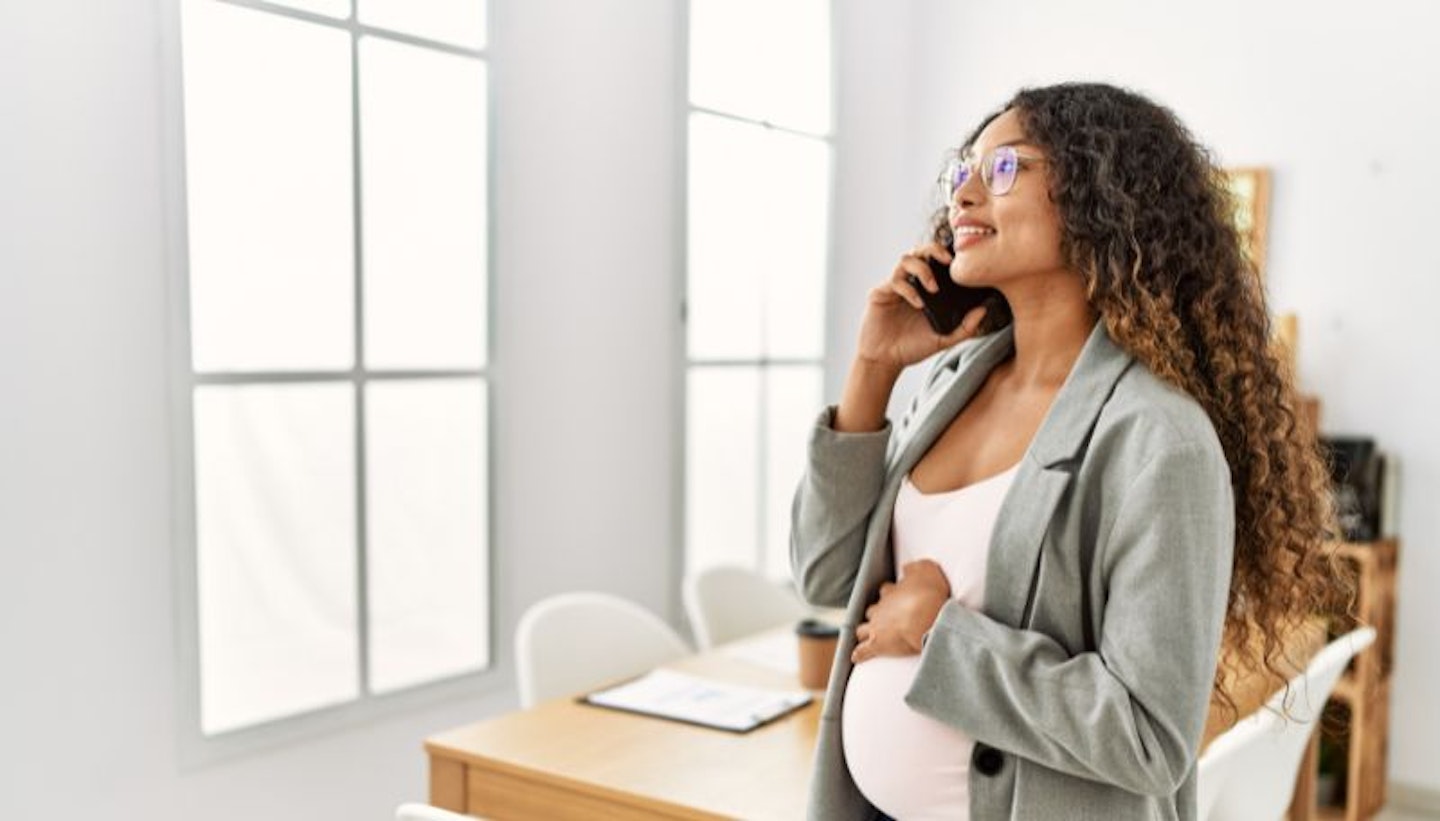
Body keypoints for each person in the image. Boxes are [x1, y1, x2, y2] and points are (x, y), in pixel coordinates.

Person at [789, 82, 1342, 820]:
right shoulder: (954, 381)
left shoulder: (1158, 440)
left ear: (1100, 200)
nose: (968, 194)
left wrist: (938, 634)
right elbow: (826, 576)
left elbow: (1148, 736)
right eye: (964, 171)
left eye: (1007, 168)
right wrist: (873, 370)